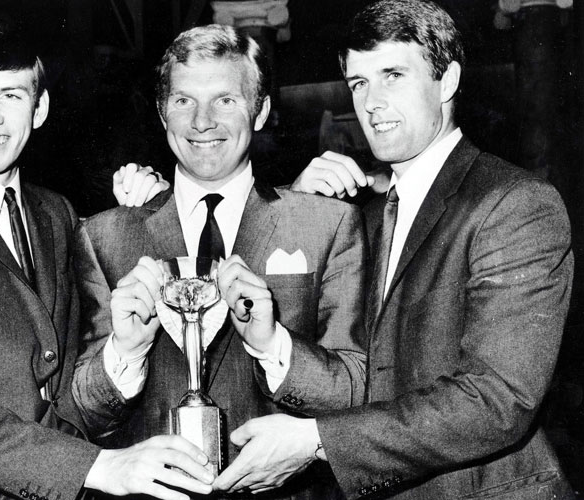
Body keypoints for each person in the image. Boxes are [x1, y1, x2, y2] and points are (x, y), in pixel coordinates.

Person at [207, 1, 575, 498]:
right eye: (359, 83)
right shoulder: (364, 216)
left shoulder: (513, 203)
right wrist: (297, 217)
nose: (371, 102)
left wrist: (316, 440)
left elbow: (497, 399)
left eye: (393, 75)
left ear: (447, 83)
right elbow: (362, 378)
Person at [0, 14, 215, 500]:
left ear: (40, 107)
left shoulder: (55, 214)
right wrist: (98, 467)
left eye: (11, 95)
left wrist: (153, 207)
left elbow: (65, 394)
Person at [72, 24, 367, 499]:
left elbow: (357, 392)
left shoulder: (325, 224)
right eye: (184, 100)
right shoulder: (104, 235)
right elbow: (79, 414)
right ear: (161, 111)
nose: (202, 122)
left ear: (262, 110)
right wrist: (122, 356)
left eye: (225, 100)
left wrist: (275, 344)